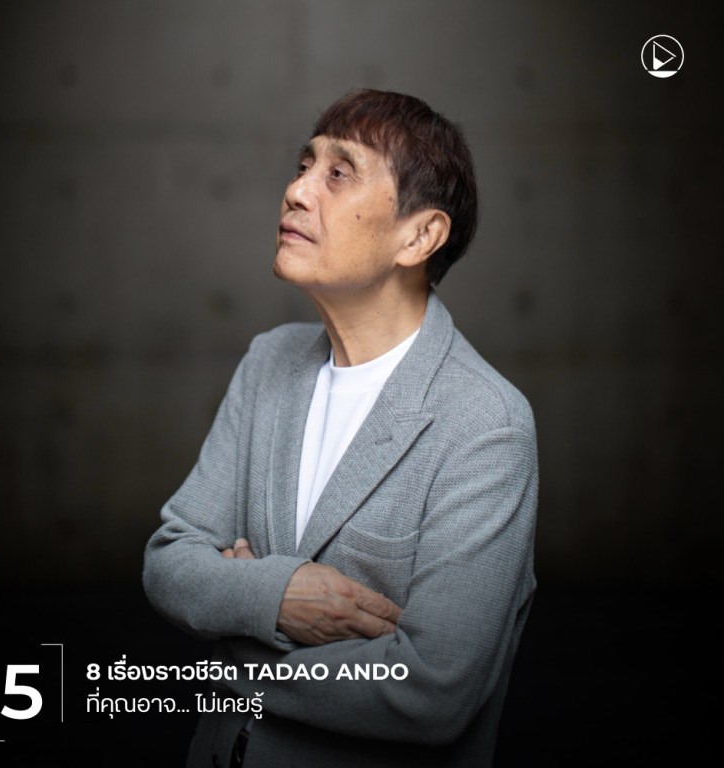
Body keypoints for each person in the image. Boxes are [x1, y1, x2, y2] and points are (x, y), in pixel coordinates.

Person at [143, 89, 538, 768]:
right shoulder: (269, 361)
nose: (296, 191)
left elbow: (430, 692)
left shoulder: (485, 425)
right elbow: (170, 559)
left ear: (419, 237)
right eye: (304, 166)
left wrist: (229, 645)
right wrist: (278, 597)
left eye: (338, 173)